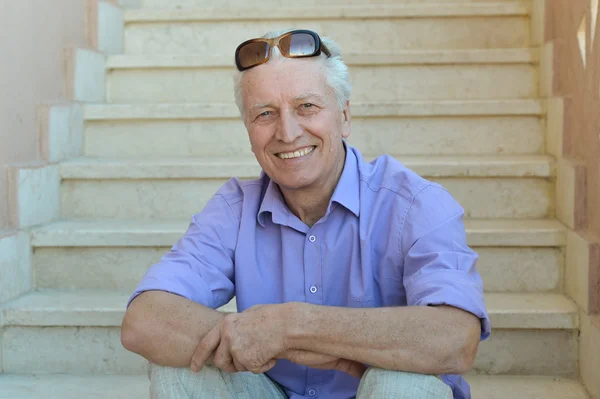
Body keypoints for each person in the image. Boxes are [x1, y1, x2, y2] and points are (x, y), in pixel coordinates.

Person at [121, 29, 491, 399]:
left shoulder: (415, 204)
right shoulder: (234, 208)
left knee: (402, 384)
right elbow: (144, 320)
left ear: (344, 117)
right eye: (265, 114)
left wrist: (290, 327)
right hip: (272, 391)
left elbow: (455, 337)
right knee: (180, 372)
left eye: (307, 107)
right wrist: (253, 334)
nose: (287, 131)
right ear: (248, 131)